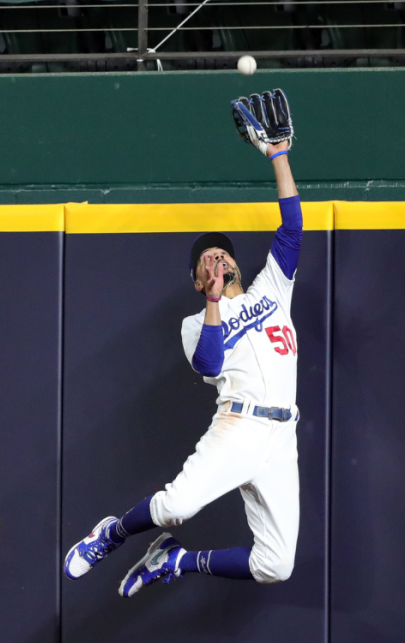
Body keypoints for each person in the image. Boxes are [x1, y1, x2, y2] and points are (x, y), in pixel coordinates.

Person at [64, 89, 301, 597]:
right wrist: (215, 303)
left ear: (237, 264)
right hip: (237, 426)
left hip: (283, 438)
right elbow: (211, 361)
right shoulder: (197, 321)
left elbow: (293, 231)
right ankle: (112, 533)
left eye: (221, 255)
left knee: (277, 564)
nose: (216, 262)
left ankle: (176, 561)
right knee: (175, 507)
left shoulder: (272, 289)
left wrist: (279, 158)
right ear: (198, 282)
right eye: (206, 262)